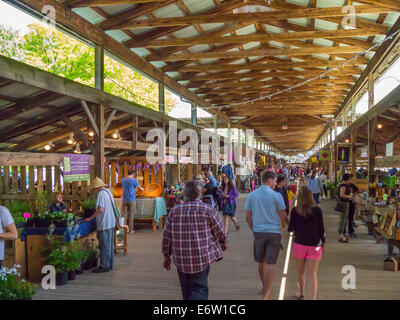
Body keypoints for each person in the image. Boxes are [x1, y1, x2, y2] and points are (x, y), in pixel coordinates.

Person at [162, 180, 227, 300]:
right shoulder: (208, 210)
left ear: (184, 194)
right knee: (199, 289)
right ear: (199, 193)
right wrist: (223, 243)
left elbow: (167, 236)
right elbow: (221, 232)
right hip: (202, 257)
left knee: (186, 291)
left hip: (181, 258)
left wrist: (166, 256)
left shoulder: (174, 212)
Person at [245, 171, 289, 300]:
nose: (276, 183)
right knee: (271, 264)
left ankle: (264, 286)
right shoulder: (277, 196)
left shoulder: (252, 195)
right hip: (274, 233)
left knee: (261, 261)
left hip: (258, 232)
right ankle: (266, 295)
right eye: (275, 181)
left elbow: (248, 217)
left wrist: (254, 229)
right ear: (269, 180)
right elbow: (283, 217)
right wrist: (291, 227)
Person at [288, 186, 326, 300]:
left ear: (299, 197)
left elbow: (290, 228)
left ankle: (301, 294)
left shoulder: (295, 210)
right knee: (312, 274)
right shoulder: (317, 210)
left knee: (300, 272)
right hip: (315, 245)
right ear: (310, 196)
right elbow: (321, 229)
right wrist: (324, 243)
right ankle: (313, 298)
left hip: (299, 244)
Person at [85, 177, 116, 273]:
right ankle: (109, 264)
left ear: (96, 188)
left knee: (104, 245)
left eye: (94, 189)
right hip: (111, 221)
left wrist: (90, 218)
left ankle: (104, 266)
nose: (94, 191)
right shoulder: (108, 192)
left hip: (104, 223)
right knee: (109, 244)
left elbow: (100, 209)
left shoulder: (100, 194)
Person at [121, 169, 145, 234]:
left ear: (127, 173)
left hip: (124, 199)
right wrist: (144, 189)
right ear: (133, 174)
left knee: (124, 215)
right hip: (132, 199)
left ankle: (124, 230)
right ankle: (131, 230)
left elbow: (123, 187)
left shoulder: (123, 180)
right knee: (131, 215)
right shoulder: (134, 180)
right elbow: (140, 188)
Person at [338, 173, 353, 243]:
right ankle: (341, 236)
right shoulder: (343, 185)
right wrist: (349, 196)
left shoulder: (342, 184)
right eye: (349, 178)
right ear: (347, 179)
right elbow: (342, 195)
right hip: (344, 204)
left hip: (344, 203)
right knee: (343, 220)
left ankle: (342, 235)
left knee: (343, 220)